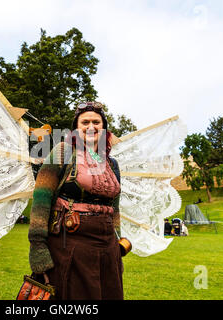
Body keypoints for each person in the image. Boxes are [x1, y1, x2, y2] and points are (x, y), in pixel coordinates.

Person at [28, 101, 129, 300]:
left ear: (104, 129)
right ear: (76, 128)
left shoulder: (112, 164)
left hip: (107, 247)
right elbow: (41, 199)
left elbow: (113, 208)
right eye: (85, 122)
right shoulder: (63, 152)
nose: (91, 127)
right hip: (71, 244)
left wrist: (118, 243)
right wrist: (37, 245)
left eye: (96, 122)